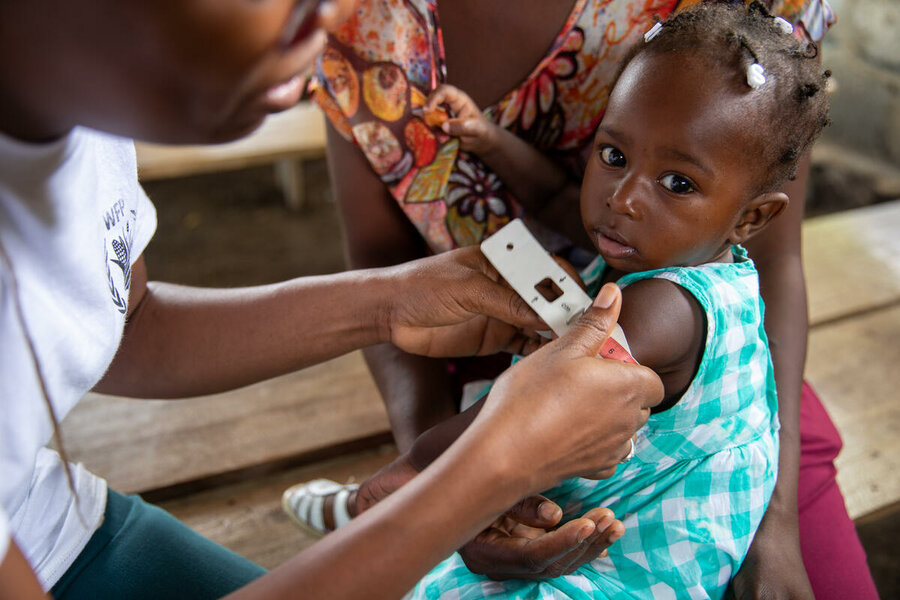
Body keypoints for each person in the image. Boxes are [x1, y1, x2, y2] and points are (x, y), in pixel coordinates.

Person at [0, 0, 667, 598]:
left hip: (45, 520)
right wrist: (485, 473)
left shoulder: (70, 107)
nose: (334, 15)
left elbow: (123, 324)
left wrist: (389, 302)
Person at [290, 0, 880, 597]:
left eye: (678, 183)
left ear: (751, 217)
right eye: (614, 155)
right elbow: (552, 198)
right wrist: (492, 143)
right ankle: (365, 511)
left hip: (622, 548)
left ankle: (364, 509)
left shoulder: (663, 309)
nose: (622, 198)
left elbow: (537, 404)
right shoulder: (668, 244)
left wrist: (421, 467)